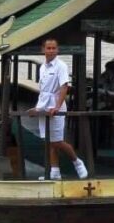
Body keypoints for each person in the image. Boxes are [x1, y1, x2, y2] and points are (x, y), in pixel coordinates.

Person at [29, 37, 88, 180]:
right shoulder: (42, 67)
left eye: (53, 48)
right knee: (49, 141)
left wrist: (57, 106)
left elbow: (64, 87)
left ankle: (77, 162)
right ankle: (55, 173)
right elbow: (43, 90)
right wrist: (37, 108)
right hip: (43, 106)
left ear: (57, 50)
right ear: (43, 50)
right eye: (48, 48)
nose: (51, 51)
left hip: (56, 106)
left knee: (57, 141)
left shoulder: (61, 66)